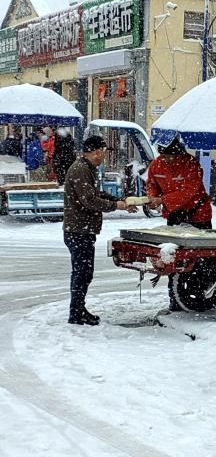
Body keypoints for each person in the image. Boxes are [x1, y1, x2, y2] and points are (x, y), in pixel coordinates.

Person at [63, 135, 132, 325]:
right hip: (78, 231)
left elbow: (96, 194)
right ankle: (76, 313)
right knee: (81, 272)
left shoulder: (87, 169)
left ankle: (78, 309)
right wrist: (116, 206)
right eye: (102, 152)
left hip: (82, 230)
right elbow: (89, 200)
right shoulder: (80, 170)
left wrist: (119, 202)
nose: (103, 156)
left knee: (85, 272)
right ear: (96, 152)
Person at [146, 137, 213, 311]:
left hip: (198, 216)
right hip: (175, 216)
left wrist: (163, 199)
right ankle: (175, 298)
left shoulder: (192, 165)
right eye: (164, 155)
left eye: (171, 156)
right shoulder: (156, 165)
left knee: (200, 260)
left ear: (180, 153)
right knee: (173, 258)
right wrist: (152, 197)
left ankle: (200, 295)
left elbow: (188, 192)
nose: (167, 159)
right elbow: (151, 183)